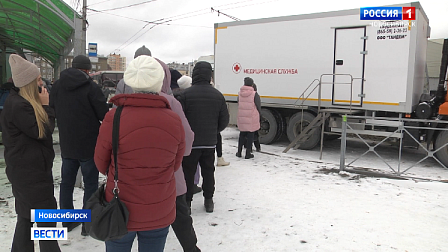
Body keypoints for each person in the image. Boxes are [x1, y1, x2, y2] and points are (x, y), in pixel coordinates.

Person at [94, 55, 186, 252]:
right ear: (159, 81)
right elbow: (175, 164)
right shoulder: (174, 119)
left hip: (120, 208)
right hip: (159, 207)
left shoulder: (114, 117)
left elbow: (100, 163)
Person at [114, 46, 201, 252]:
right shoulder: (171, 103)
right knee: (178, 218)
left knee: (128, 224)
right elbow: (187, 142)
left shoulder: (121, 103)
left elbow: (108, 145)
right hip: (168, 176)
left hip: (129, 177)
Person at [0, 54, 61, 252]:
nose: (42, 83)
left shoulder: (17, 102)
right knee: (46, 218)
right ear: (28, 83)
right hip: (31, 175)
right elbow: (41, 131)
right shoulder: (19, 105)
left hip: (26, 172)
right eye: (38, 80)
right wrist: (46, 106)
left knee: (26, 218)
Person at [49, 55, 109, 234]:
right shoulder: (91, 86)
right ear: (87, 70)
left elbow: (52, 108)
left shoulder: (57, 86)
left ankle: (67, 222)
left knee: (66, 183)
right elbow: (103, 115)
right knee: (90, 184)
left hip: (67, 143)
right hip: (88, 143)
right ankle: (87, 225)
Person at [179, 61, 229, 213]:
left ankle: (187, 203)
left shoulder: (185, 94)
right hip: (209, 143)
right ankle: (208, 200)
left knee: (188, 172)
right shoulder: (218, 95)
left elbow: (179, 119)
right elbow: (224, 120)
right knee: (208, 172)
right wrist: (214, 131)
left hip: (190, 144)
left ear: (194, 74)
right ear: (209, 75)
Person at [236, 77, 261, 159]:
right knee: (250, 135)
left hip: (242, 116)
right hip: (251, 116)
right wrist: (259, 114)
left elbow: (238, 103)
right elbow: (258, 105)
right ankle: (248, 153)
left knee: (242, 134)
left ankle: (239, 152)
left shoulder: (240, 93)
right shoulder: (254, 94)